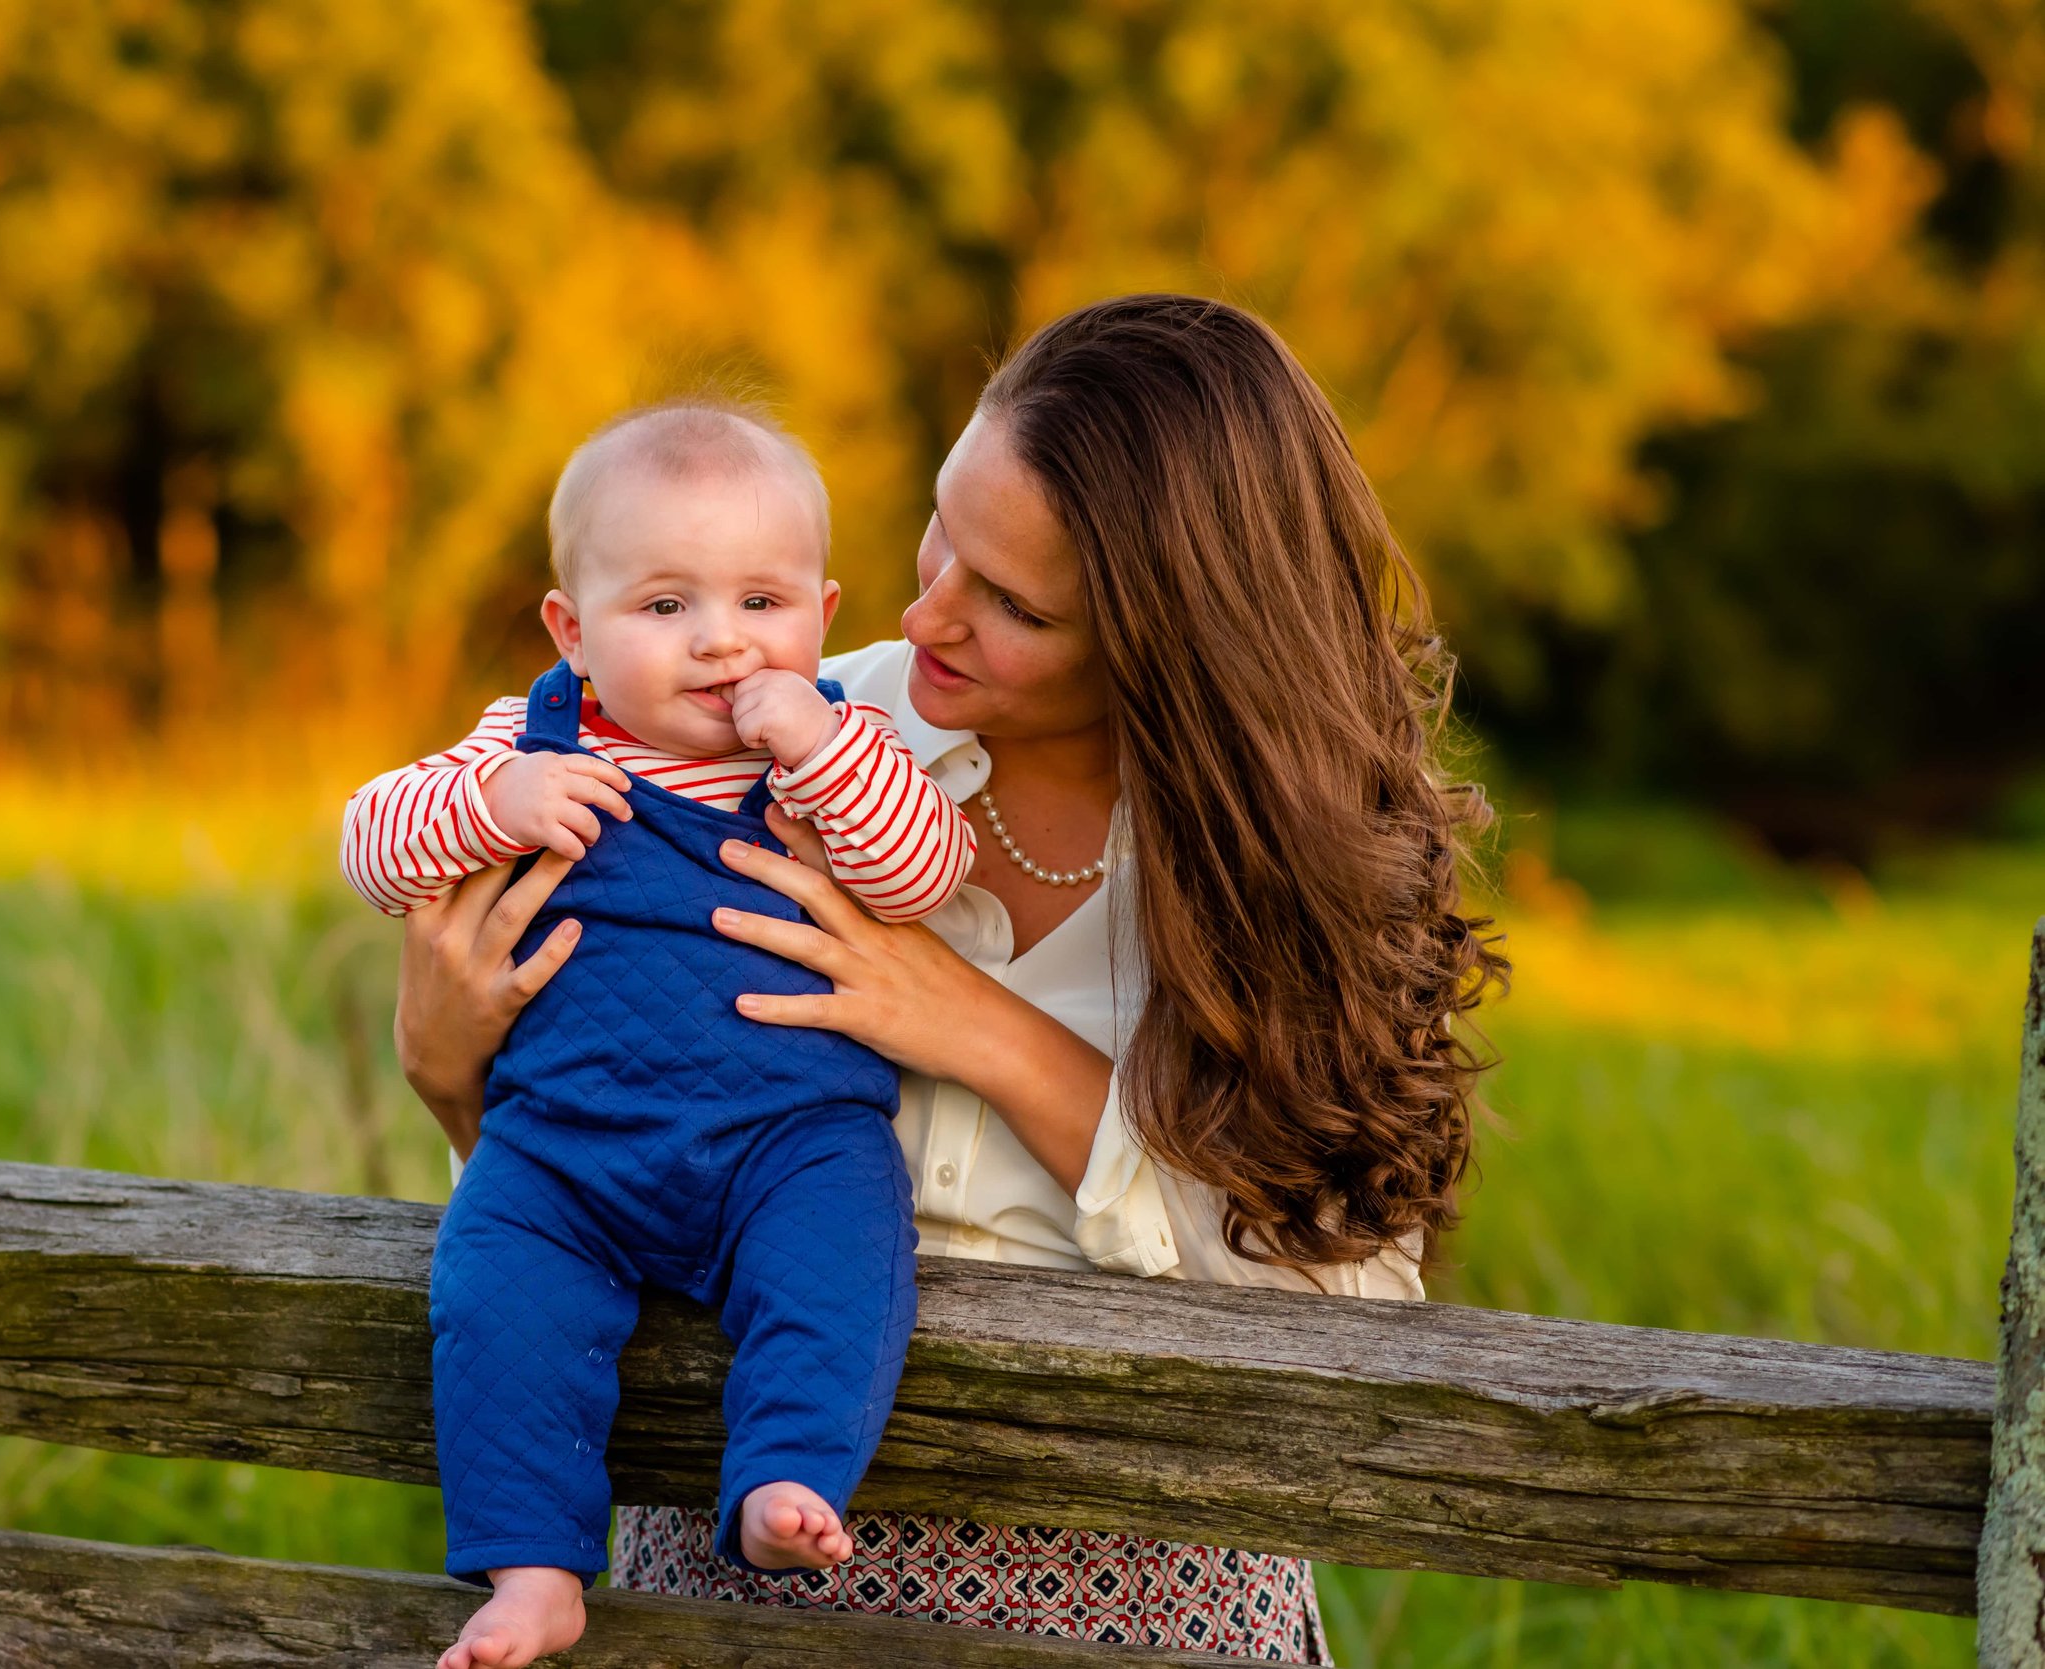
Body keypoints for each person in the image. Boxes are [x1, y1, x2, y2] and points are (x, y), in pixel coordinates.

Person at [390, 295, 1505, 1661]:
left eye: (1014, 604)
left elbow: (1349, 1317)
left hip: (1132, 1604)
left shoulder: (1284, 866)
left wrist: (985, 1032)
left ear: (1166, 644)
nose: (926, 612)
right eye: (941, 531)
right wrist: (453, 1080)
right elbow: (595, 1143)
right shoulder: (760, 728)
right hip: (733, 1570)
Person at [340, 400, 980, 1669]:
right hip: (564, 1147)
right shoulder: (530, 741)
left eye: (761, 603)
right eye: (665, 607)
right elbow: (370, 838)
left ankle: (785, 1480)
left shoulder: (841, 747)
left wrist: (818, 746)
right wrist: (489, 802)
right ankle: (532, 1572)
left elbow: (924, 875)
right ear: (571, 630)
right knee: (493, 1294)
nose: (721, 645)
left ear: (822, 610)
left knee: (845, 1260)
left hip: (784, 1138)